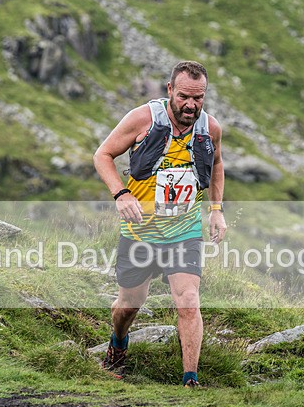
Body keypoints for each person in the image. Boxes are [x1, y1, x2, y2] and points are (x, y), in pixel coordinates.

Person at [93, 60, 226, 388]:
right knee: (128, 305)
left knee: (188, 299)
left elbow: (218, 162)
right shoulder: (143, 119)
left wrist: (216, 209)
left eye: (198, 98)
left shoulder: (210, 128)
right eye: (183, 97)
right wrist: (121, 194)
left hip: (184, 231)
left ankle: (190, 380)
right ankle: (118, 345)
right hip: (140, 231)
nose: (191, 105)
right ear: (170, 90)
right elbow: (103, 155)